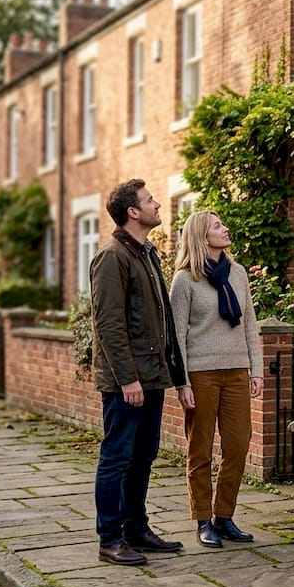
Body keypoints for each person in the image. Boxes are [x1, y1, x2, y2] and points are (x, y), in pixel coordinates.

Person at [90, 179, 188, 566]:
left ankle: (136, 529)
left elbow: (162, 320)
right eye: (150, 200)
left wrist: (176, 375)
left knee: (144, 454)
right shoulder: (112, 256)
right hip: (126, 380)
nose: (157, 204)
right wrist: (128, 378)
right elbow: (108, 324)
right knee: (117, 456)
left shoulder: (145, 253)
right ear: (133, 211)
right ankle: (110, 538)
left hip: (152, 374)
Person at [169, 210, 263, 548]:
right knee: (201, 449)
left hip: (237, 371)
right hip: (200, 374)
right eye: (218, 226)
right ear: (200, 236)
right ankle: (202, 520)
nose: (225, 229)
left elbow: (250, 323)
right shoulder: (184, 280)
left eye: (223, 223)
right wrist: (182, 383)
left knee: (238, 446)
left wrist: (256, 369)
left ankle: (225, 516)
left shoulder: (237, 274)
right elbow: (176, 336)